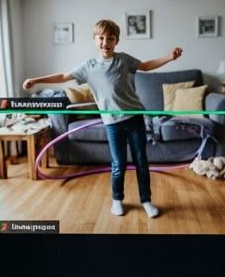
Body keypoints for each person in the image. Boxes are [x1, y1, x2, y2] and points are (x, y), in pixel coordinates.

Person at [22, 19, 183, 219]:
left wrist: (169, 57)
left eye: (110, 39)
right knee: (119, 163)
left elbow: (146, 66)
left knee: (141, 161)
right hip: (113, 123)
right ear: (94, 39)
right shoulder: (88, 67)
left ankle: (146, 201)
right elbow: (64, 76)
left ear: (116, 41)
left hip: (134, 118)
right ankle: (117, 200)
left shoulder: (123, 59)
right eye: (101, 38)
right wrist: (36, 80)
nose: (105, 42)